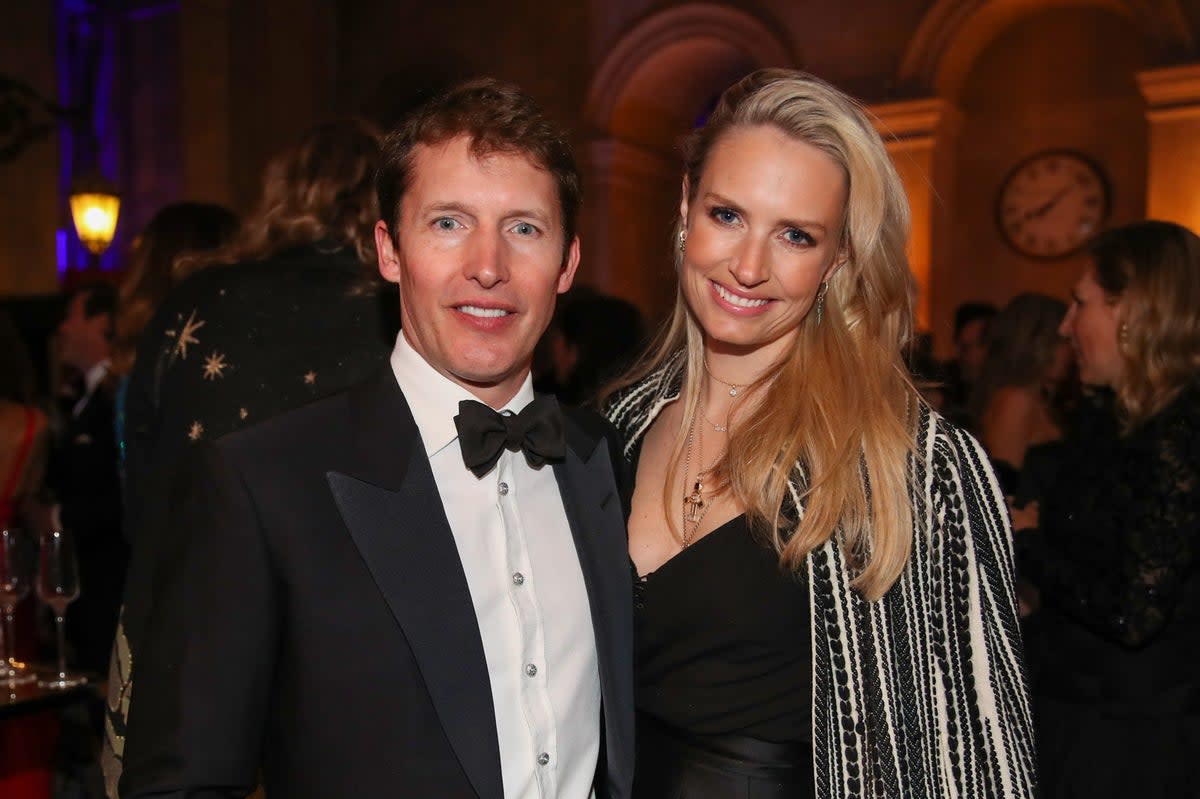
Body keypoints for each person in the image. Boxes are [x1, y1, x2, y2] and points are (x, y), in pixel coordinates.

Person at [120, 79, 634, 799]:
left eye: (524, 227)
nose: (488, 265)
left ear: (568, 264)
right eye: (449, 223)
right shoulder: (263, 484)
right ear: (388, 251)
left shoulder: (601, 459)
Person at [603, 69, 1035, 797]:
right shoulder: (616, 426)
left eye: (795, 235)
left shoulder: (912, 466)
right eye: (727, 215)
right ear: (686, 206)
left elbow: (980, 752)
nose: (748, 265)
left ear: (837, 258)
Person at [103, 119, 395, 792]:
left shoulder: (193, 302)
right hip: (344, 666)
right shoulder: (396, 312)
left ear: (282, 194)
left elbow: (140, 487)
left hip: (186, 644)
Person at [1017, 220, 1200, 797]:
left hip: (1134, 745)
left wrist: (1025, 540)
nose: (1067, 328)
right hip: (1078, 715)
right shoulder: (1109, 421)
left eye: (1080, 304)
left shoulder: (1182, 432)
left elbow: (1133, 608)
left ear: (1134, 311)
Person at [43, 282, 127, 676]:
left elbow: (118, 493)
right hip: (89, 592)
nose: (62, 328)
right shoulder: (82, 398)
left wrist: (56, 519)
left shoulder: (120, 397)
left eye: (71, 316)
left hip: (112, 590)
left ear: (101, 323)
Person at [969, 293, 1073, 491]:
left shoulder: (1038, 399)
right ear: (1039, 343)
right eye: (1063, 340)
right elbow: (1003, 488)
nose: (1070, 349)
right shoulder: (1016, 401)